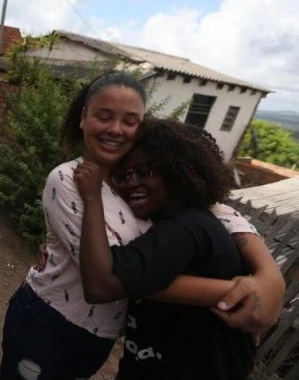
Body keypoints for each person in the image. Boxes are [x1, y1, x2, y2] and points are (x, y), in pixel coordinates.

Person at [0, 72, 284, 380]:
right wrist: (236, 292)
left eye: (130, 121)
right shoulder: (70, 180)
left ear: (140, 127)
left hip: (102, 334)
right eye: (104, 116)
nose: (115, 129)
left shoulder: (142, 180)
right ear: (84, 117)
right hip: (52, 320)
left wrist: (270, 278)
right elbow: (107, 280)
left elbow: (217, 213)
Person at [74, 118, 257, 379]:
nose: (130, 183)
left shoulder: (185, 228)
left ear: (178, 172)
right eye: (122, 176)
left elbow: (100, 286)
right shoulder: (185, 224)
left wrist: (92, 198)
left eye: (143, 172)